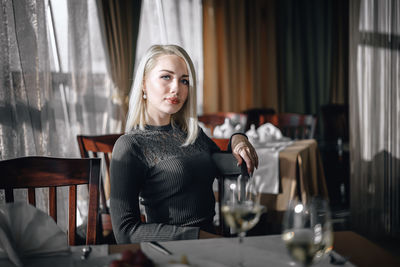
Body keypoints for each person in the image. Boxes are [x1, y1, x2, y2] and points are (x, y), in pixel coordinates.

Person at [110, 44, 258, 244]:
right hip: (175, 253)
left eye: (184, 81)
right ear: (144, 84)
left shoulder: (192, 135)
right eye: (166, 77)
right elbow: (125, 233)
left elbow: (234, 164)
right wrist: (198, 238)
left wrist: (239, 139)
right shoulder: (130, 145)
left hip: (212, 244)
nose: (176, 88)